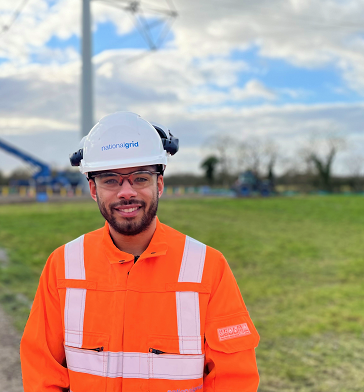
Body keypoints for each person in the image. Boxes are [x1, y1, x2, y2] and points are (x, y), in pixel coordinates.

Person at [20, 111, 260, 392]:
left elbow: (233, 380)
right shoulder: (62, 265)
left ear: (159, 184)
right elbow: (42, 373)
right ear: (93, 189)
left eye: (140, 178)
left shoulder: (208, 266)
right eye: (110, 180)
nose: (126, 192)